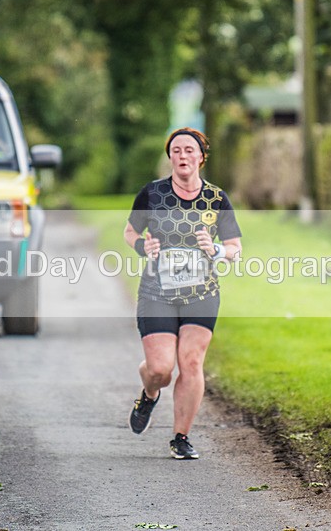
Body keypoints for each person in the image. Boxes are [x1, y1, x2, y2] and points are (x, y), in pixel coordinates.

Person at [124, 127, 242, 459]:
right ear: (170, 157)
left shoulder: (217, 199)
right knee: (161, 370)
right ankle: (148, 394)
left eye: (189, 150)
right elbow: (130, 231)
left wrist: (216, 249)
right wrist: (141, 246)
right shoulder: (152, 194)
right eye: (176, 151)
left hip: (201, 292)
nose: (182, 156)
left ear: (202, 157)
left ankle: (180, 437)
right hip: (157, 292)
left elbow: (235, 248)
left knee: (191, 362)